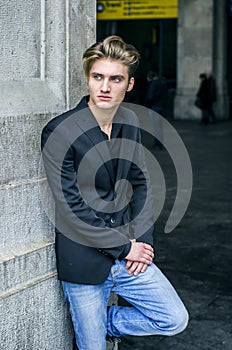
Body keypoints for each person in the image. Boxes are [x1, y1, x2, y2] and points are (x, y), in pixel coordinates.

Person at [41, 36, 188, 350]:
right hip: (83, 257)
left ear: (129, 84)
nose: (105, 87)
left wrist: (143, 242)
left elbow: (143, 183)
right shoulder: (59, 131)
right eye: (98, 77)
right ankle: (93, 328)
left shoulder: (130, 121)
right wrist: (125, 248)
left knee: (174, 318)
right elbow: (71, 209)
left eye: (115, 79)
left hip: (130, 250)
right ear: (88, 79)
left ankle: (105, 322)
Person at [145, 71, 169, 149]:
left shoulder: (153, 84)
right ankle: (160, 143)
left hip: (155, 107)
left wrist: (148, 106)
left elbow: (150, 97)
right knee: (160, 127)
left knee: (156, 127)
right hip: (162, 107)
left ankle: (157, 144)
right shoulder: (163, 83)